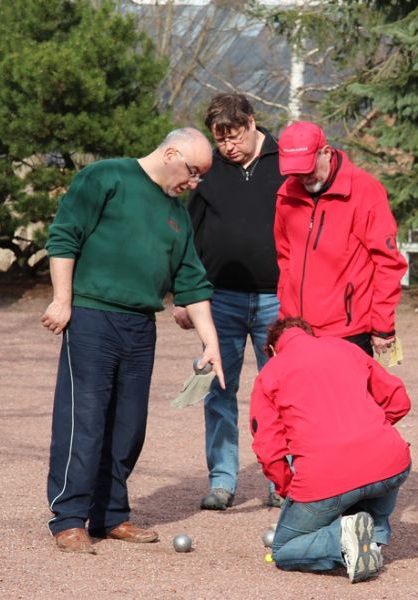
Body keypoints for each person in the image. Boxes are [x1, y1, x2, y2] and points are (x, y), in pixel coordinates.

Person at [41, 127, 226, 554]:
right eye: (194, 172)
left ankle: (111, 515)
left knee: (128, 426)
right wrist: (62, 300)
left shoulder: (177, 213)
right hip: (91, 317)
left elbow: (192, 283)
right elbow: (65, 235)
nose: (194, 183)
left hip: (140, 325)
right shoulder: (107, 177)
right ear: (172, 153)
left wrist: (210, 343)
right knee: (84, 419)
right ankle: (69, 518)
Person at [173, 93, 286, 510]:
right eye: (219, 138)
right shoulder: (209, 170)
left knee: (279, 391)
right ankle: (222, 480)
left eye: (233, 136)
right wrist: (184, 295)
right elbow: (187, 232)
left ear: (252, 123)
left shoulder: (284, 162)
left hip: (278, 299)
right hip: (220, 299)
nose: (227, 146)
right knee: (218, 388)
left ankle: (281, 476)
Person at [249, 316, 411, 583]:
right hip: (391, 463)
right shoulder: (346, 348)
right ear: (309, 333)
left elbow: (268, 449)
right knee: (364, 489)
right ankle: (374, 537)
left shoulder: (271, 372)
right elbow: (399, 400)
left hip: (326, 475)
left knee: (283, 549)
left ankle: (342, 540)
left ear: (273, 350)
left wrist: (288, 489)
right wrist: (374, 429)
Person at [275, 121, 408, 356]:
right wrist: (285, 317)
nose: (303, 178)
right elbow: (285, 259)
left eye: (308, 169)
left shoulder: (365, 190)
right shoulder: (286, 194)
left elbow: (388, 263)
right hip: (297, 330)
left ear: (325, 152)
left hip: (348, 332)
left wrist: (382, 325)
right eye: (295, 172)